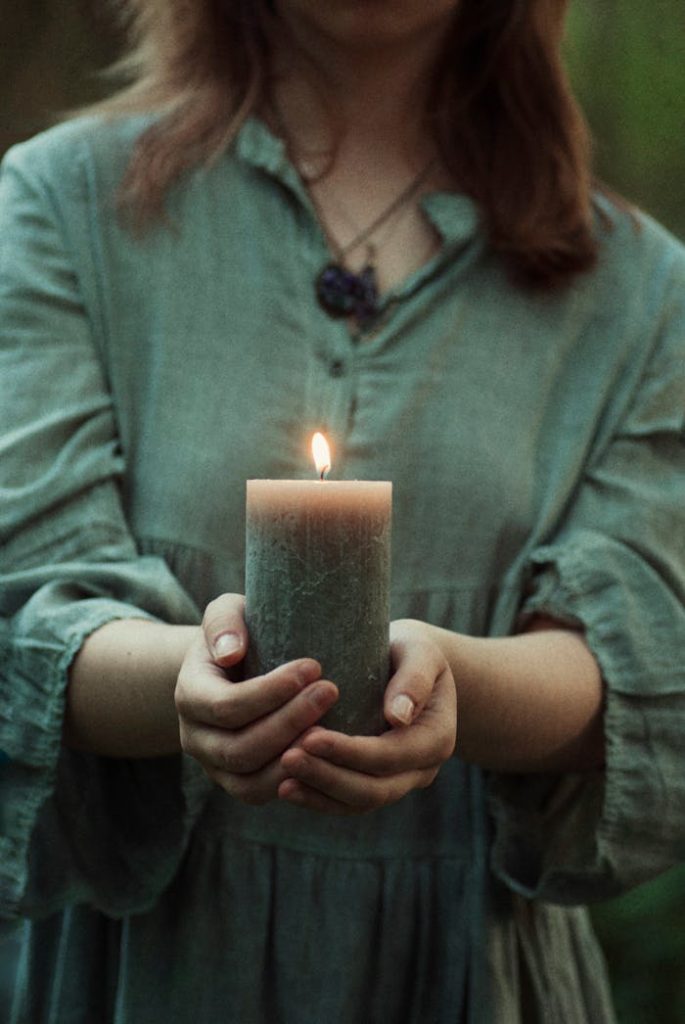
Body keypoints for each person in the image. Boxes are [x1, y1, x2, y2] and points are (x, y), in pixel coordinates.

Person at [1, 1, 683, 1021]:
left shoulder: (637, 288)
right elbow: (26, 601)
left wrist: (452, 685)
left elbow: (635, 656)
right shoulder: (65, 204)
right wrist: (192, 684)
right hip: (148, 970)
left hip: (464, 969)